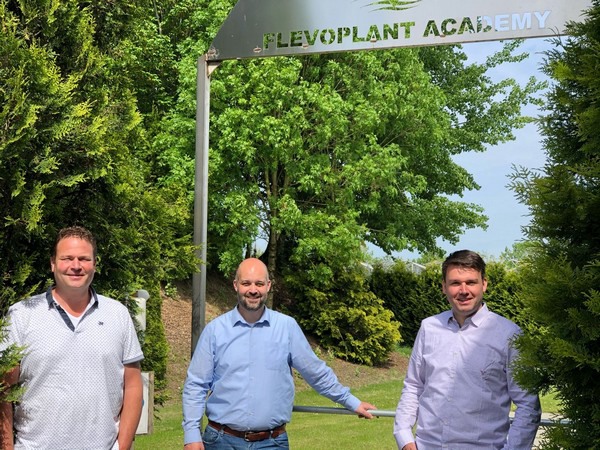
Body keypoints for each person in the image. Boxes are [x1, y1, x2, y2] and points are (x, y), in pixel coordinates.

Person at [182, 257, 377, 450]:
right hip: (221, 441)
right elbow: (196, 384)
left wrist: (352, 402)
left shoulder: (287, 328)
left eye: (259, 284)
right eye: (246, 283)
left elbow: (315, 373)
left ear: (268, 286)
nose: (253, 290)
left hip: (271, 443)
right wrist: (191, 434)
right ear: (235, 285)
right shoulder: (215, 331)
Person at [0, 226, 144, 450]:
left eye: (84, 259)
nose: (76, 266)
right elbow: (4, 388)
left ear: (94, 264)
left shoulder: (118, 314)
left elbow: (133, 385)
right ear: (53, 263)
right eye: (67, 258)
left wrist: (122, 447)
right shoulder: (22, 314)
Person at [394, 250, 542, 450]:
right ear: (444, 287)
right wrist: (404, 436)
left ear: (484, 284)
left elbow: (528, 405)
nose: (463, 290)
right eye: (455, 283)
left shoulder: (509, 335)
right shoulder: (429, 328)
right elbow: (413, 386)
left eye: (471, 282)